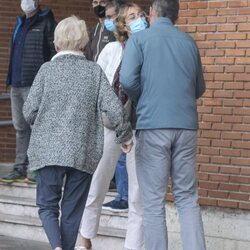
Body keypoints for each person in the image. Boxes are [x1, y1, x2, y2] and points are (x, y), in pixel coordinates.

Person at [22, 15, 133, 250]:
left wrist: (44, 125)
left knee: (47, 205)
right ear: (83, 44)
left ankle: (57, 246)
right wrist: (124, 135)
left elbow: (29, 110)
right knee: (73, 209)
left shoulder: (46, 70)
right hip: (83, 150)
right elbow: (114, 107)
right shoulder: (93, 72)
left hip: (48, 150)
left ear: (57, 43)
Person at [120, 0, 207, 250]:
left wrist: (143, 97)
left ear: (152, 13)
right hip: (186, 125)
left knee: (154, 201)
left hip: (152, 124)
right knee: (187, 197)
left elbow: (127, 80)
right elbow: (199, 87)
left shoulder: (139, 40)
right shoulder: (189, 42)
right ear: (176, 16)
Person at [79, 3, 147, 250]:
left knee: (138, 195)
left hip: (139, 128)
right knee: (97, 183)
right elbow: (99, 88)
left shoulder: (150, 50)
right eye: (133, 16)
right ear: (123, 24)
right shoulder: (111, 49)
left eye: (142, 15)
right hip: (110, 127)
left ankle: (133, 247)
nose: (139, 19)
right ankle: (84, 239)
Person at [1, 0, 56, 184]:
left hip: (34, 83)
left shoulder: (46, 23)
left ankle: (35, 167)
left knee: (36, 126)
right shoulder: (20, 24)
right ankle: (19, 167)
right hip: (16, 84)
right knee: (20, 128)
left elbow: (52, 55)